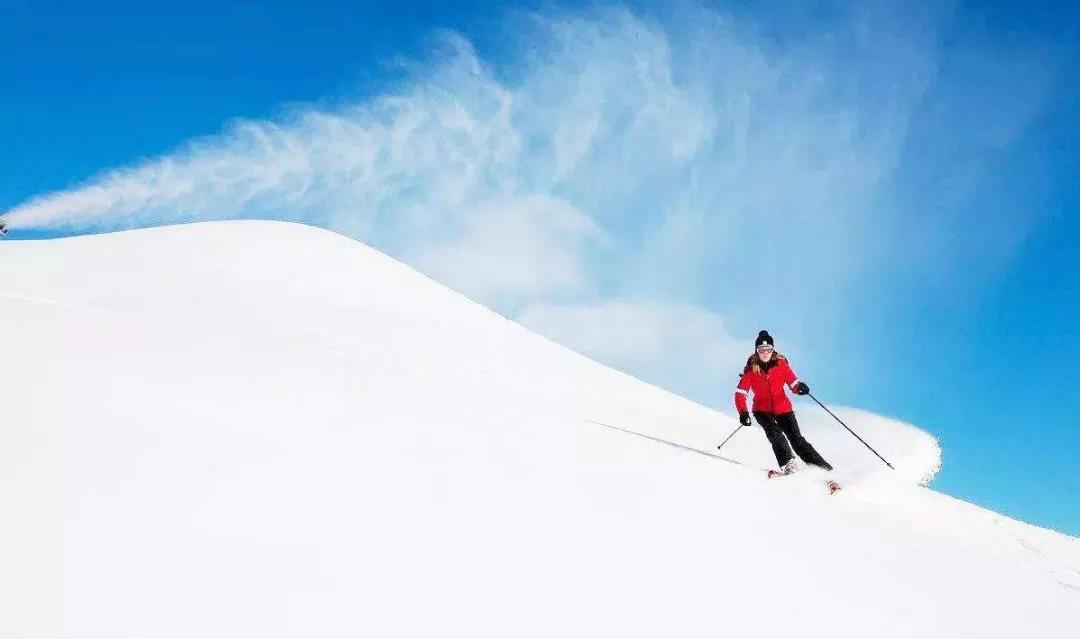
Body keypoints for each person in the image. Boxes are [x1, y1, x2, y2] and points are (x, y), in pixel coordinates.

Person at [734, 330, 832, 475]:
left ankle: (821, 467)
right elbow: (741, 393)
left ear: (773, 350)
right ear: (757, 351)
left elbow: (793, 383)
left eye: (768, 349)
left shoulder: (782, 365)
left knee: (797, 440)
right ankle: (788, 464)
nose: (765, 353)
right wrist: (743, 412)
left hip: (783, 408)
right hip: (762, 410)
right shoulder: (751, 370)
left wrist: (800, 388)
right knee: (775, 435)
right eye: (761, 350)